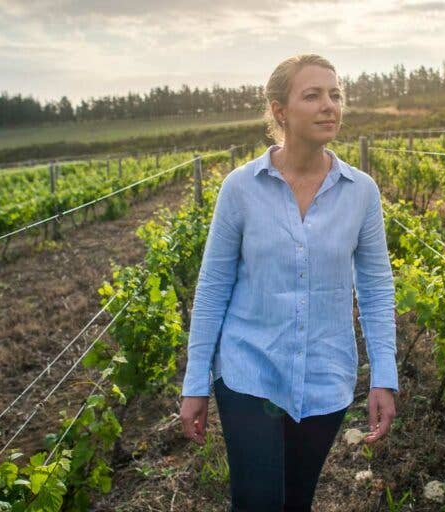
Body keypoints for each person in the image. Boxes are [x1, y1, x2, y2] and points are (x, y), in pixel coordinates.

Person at [178, 54, 398, 512]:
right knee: (257, 502)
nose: (329, 106)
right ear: (280, 111)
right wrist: (195, 382)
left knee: (296, 501)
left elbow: (375, 288)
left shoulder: (362, 193)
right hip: (248, 372)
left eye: (336, 95)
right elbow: (213, 286)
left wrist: (385, 377)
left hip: (326, 376)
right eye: (313, 95)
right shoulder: (240, 189)